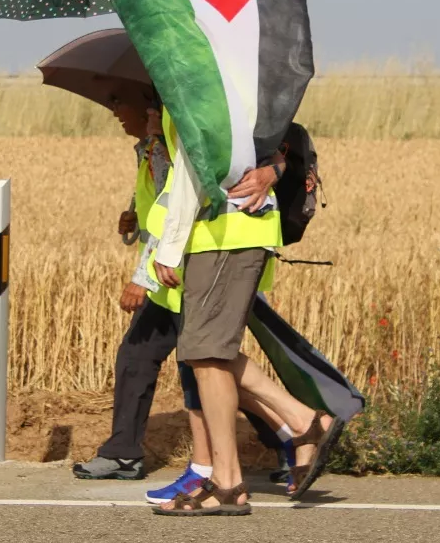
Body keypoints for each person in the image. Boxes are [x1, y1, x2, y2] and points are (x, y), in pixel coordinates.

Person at [72, 92, 296, 500]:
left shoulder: (174, 137)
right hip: (177, 267)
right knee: (159, 358)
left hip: (179, 269)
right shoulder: (151, 150)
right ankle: (130, 452)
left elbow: (181, 200)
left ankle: (287, 436)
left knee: (211, 365)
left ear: (148, 110)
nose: (115, 113)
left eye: (118, 104)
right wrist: (133, 218)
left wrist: (144, 274)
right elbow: (159, 203)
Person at [151, 107, 341, 516]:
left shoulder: (193, 78)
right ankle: (247, 465)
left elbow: (192, 167)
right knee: (205, 353)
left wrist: (169, 243)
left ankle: (238, 473)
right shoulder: (190, 79)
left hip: (226, 229)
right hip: (217, 232)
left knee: (207, 351)